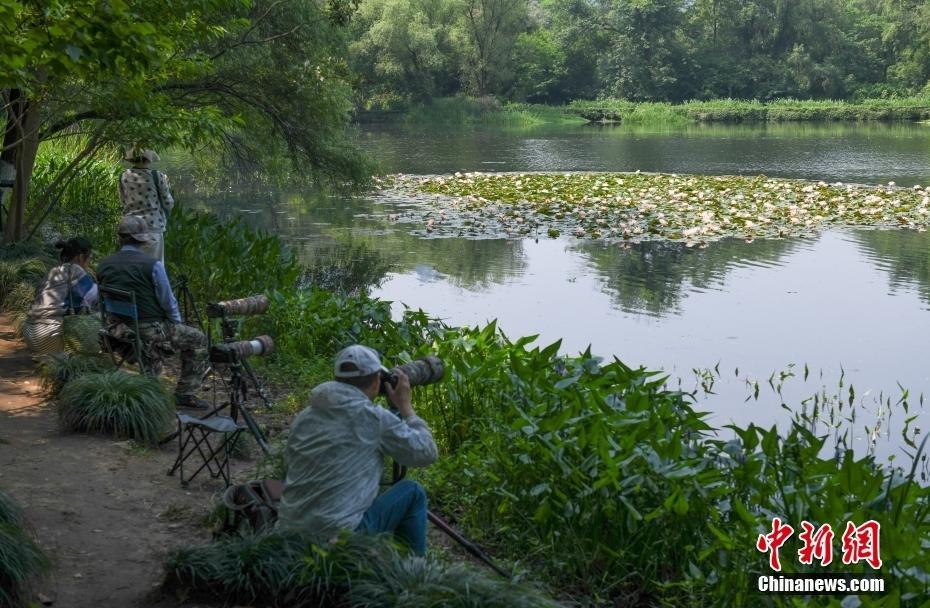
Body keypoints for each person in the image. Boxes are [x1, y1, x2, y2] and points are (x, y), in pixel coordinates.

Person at [277, 344, 438, 555]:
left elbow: (291, 465)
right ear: (376, 380)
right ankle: (413, 574)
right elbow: (427, 452)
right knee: (413, 492)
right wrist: (405, 407)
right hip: (338, 542)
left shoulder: (305, 416)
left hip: (290, 535)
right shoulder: (374, 418)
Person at [96, 215, 207, 408]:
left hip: (116, 330)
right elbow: (168, 301)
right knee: (198, 339)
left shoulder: (104, 264)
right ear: (142, 240)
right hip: (148, 330)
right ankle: (185, 393)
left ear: (120, 238)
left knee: (160, 337)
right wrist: (176, 323)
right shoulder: (153, 265)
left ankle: (145, 371)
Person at [22, 237, 98, 356]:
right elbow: (94, 296)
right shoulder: (76, 270)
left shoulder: (54, 271)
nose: (89, 261)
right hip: (47, 333)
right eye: (89, 257)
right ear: (80, 256)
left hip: (29, 330)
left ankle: (49, 357)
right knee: (98, 318)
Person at [118, 147, 173, 262]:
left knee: (133, 267)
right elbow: (168, 203)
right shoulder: (157, 176)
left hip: (130, 229)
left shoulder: (123, 176)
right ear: (149, 159)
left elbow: (123, 201)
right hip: (152, 227)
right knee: (153, 268)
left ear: (132, 159)